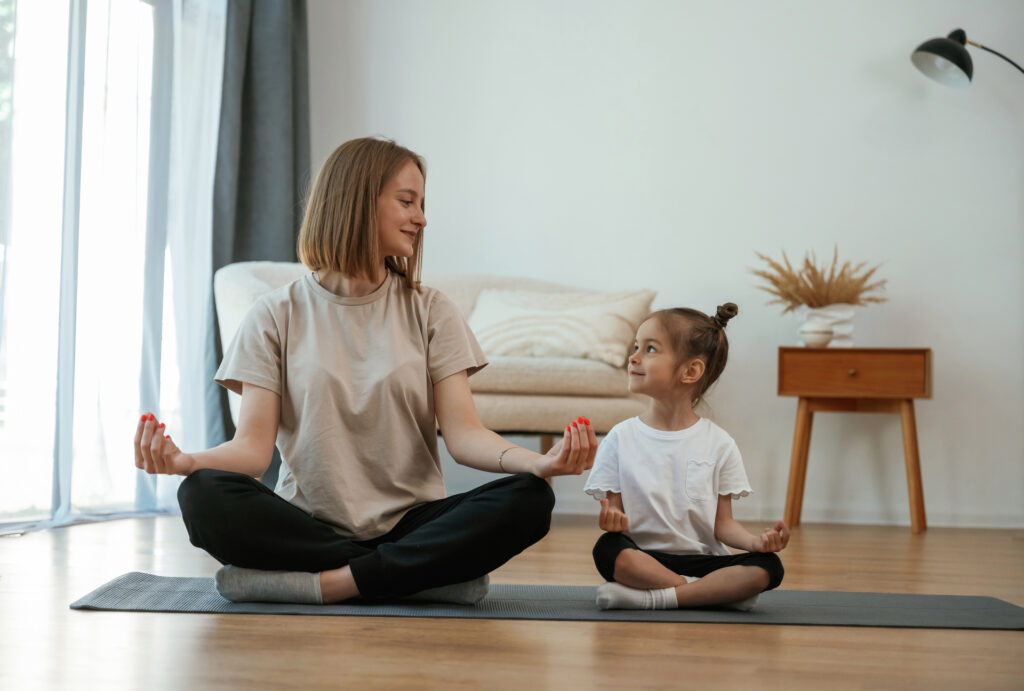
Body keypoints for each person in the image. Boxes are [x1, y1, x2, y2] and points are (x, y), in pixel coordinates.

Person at [133, 137, 597, 605]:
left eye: (421, 203)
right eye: (406, 201)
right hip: (309, 525)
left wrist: (537, 463)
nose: (422, 217)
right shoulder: (274, 314)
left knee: (532, 500)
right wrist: (187, 462)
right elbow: (253, 452)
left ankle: (327, 583)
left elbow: (465, 436)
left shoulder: (432, 311)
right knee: (202, 495)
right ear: (356, 200)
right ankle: (421, 575)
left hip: (412, 522)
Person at [583, 303, 787, 611]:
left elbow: (723, 526)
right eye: (636, 347)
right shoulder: (620, 439)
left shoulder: (720, 444)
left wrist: (757, 543)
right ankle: (709, 593)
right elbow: (615, 517)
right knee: (608, 549)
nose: (633, 357)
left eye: (650, 349)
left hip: (705, 560)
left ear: (690, 371)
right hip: (645, 558)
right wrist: (612, 521)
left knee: (768, 567)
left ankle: (654, 597)